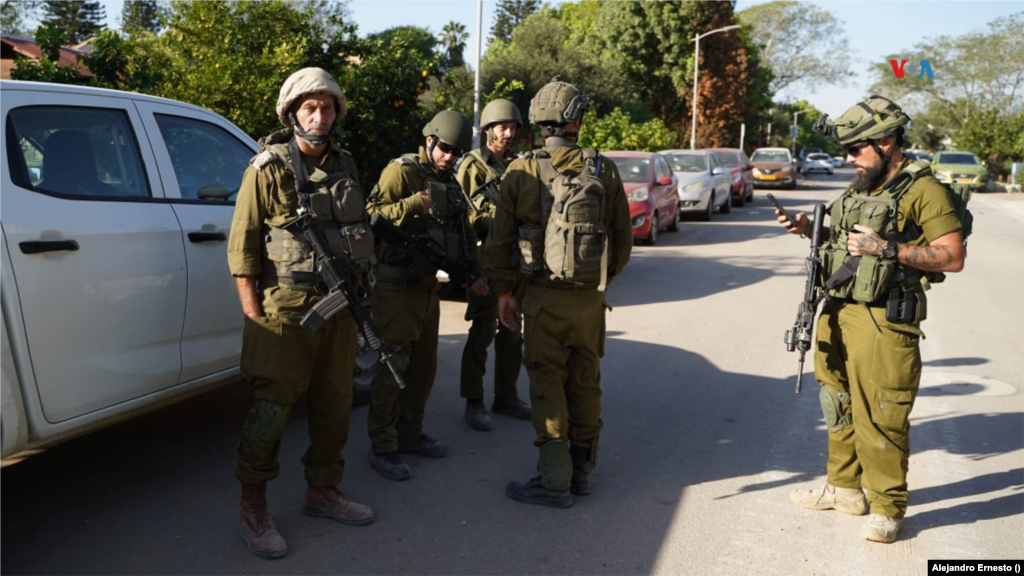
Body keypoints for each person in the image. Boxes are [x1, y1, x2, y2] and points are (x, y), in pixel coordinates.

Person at [778, 95, 966, 543]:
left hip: (885, 320)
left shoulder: (924, 189)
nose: (849, 159)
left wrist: (890, 250)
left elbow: (952, 257)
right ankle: (844, 490)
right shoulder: (864, 185)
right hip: (840, 309)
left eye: (855, 149)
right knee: (837, 404)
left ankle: (887, 507)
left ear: (886, 141)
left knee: (882, 414)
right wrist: (809, 228)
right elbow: (845, 241)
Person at [227, 67, 375, 559]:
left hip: (339, 308)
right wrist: (255, 319)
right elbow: (243, 249)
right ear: (292, 113)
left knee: (335, 406)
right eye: (309, 107)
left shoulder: (346, 165)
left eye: (327, 107)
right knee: (272, 411)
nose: (320, 115)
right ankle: (253, 506)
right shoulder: (265, 169)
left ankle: (322, 490)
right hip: (284, 313)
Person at [482, 79, 632, 508]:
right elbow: (622, 242)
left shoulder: (522, 170)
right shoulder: (603, 168)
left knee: (547, 381)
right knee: (585, 379)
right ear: (576, 121)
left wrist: (505, 294)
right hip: (589, 301)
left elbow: (498, 243)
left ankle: (554, 481)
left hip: (541, 297)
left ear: (537, 122)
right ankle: (583, 473)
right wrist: (596, 283)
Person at [365, 110, 488, 481]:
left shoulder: (449, 182)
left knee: (423, 366)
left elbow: (463, 231)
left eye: (458, 153)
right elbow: (369, 214)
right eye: (446, 149)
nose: (450, 157)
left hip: (426, 287)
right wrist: (412, 205)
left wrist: (473, 270)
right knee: (393, 365)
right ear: (430, 140)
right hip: (394, 285)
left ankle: (410, 432)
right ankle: (383, 445)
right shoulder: (401, 171)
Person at [455, 98, 531, 432]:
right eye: (502, 126)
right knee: (482, 332)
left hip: (514, 260)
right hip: (486, 259)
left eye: (513, 127)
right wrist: (495, 224)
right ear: (487, 130)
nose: (508, 133)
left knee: (513, 330)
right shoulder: (472, 166)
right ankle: (474, 402)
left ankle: (506, 396)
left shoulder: (519, 165)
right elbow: (461, 212)